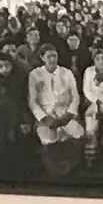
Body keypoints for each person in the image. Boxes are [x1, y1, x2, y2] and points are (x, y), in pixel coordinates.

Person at [25, 32, 85, 179]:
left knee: (77, 133)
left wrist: (68, 115)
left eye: (55, 56)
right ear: (42, 58)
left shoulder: (67, 72)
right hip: (46, 114)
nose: (52, 59)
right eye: (49, 56)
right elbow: (32, 101)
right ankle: (52, 170)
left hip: (65, 113)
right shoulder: (35, 74)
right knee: (49, 139)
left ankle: (72, 168)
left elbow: (75, 97)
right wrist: (45, 118)